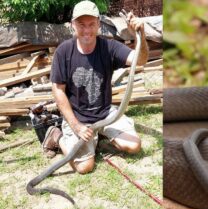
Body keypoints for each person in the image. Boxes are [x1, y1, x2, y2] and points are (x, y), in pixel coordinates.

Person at [42, 0, 149, 174]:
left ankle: (98, 138)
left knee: (134, 145)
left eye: (92, 24)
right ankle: (56, 136)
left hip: (106, 114)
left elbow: (141, 60)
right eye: (81, 24)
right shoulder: (63, 52)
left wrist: (141, 35)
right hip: (78, 118)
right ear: (72, 25)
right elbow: (58, 91)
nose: (87, 30)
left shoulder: (109, 47)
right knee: (85, 167)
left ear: (99, 23)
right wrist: (76, 126)